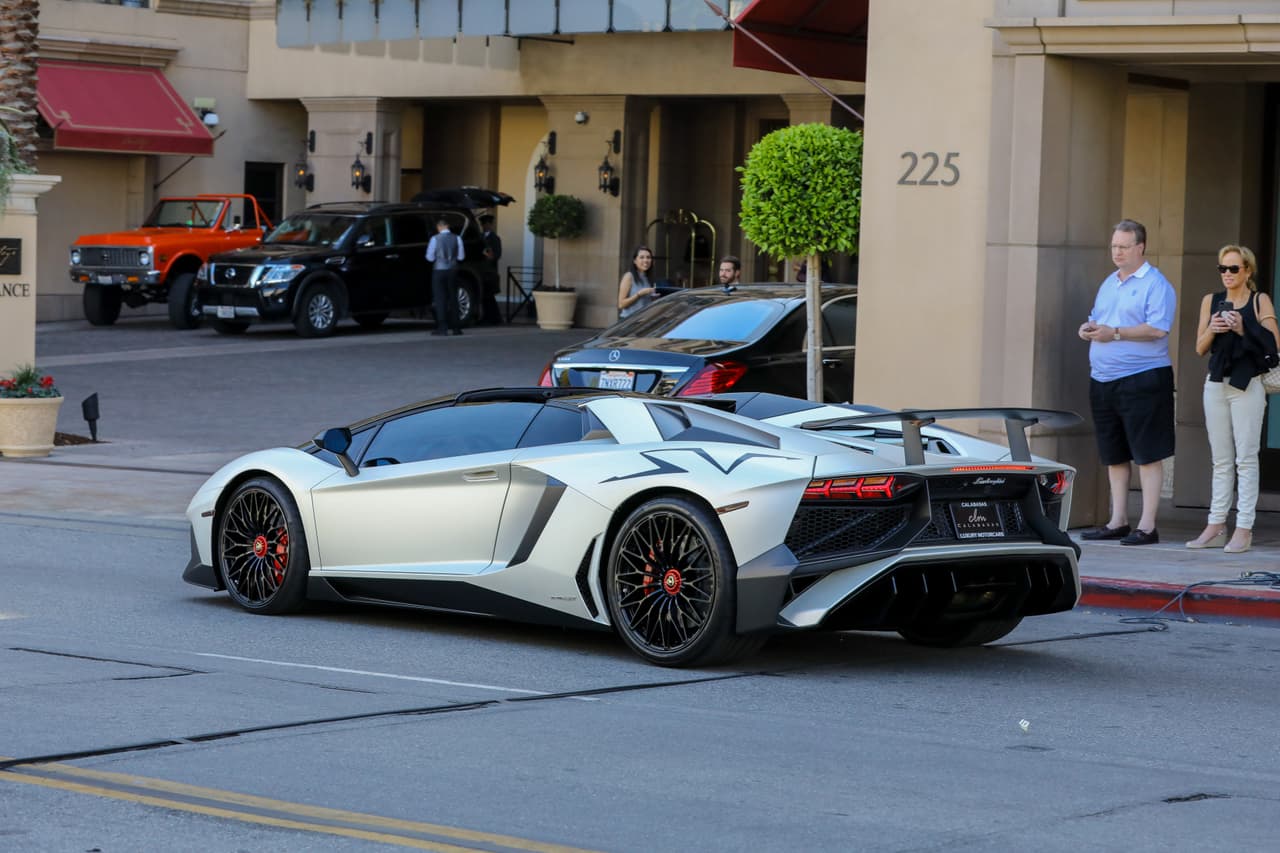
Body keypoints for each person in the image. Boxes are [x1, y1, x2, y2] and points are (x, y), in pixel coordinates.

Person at [1077, 219, 1177, 546]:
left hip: (1143, 379)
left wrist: (1115, 333)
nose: (1117, 252)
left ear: (1140, 247)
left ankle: (1147, 526)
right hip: (1103, 379)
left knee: (1147, 453)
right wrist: (1089, 329)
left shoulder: (1156, 284)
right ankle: (1117, 520)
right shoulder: (1109, 282)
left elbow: (1158, 328)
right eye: (1114, 246)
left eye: (1123, 246)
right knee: (1114, 453)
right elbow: (1100, 319)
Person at [1185, 245, 1280, 553]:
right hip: (1215, 383)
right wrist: (1213, 329)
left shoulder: (1259, 300)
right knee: (1221, 460)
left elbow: (1274, 344)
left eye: (1234, 268)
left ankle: (1244, 528)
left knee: (1246, 459)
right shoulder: (1211, 301)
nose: (1227, 274)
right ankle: (1215, 525)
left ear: (1247, 271)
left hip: (1247, 385)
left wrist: (1242, 327)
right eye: (1222, 268)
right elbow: (1199, 348)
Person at [426, 217, 464, 335]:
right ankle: (456, 328)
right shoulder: (457, 238)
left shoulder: (435, 239)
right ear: (448, 226)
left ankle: (442, 327)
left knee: (440, 298)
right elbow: (461, 257)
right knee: (453, 298)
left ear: (439, 227)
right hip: (453, 270)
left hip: (439, 270)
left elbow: (429, 257)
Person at [617, 245, 657, 319]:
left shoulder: (649, 278)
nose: (646, 260)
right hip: (629, 320)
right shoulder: (629, 276)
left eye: (648, 257)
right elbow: (621, 304)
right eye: (642, 257)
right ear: (635, 261)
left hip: (644, 320)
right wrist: (639, 294)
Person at [478, 214, 502, 325]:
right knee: (485, 296)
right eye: (483, 224)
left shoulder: (495, 238)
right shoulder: (480, 236)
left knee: (488, 295)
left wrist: (488, 255)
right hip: (482, 269)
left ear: (490, 225)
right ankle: (490, 317)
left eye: (486, 224)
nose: (484, 226)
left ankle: (493, 318)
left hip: (490, 270)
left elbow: (497, 254)